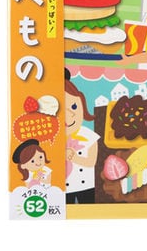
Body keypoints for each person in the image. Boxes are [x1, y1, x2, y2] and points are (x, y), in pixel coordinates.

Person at [64, 68, 99, 204]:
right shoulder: (53, 139)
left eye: (74, 107)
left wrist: (74, 157)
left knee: (91, 211)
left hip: (87, 185)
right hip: (64, 187)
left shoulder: (88, 135)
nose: (70, 115)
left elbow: (91, 162)